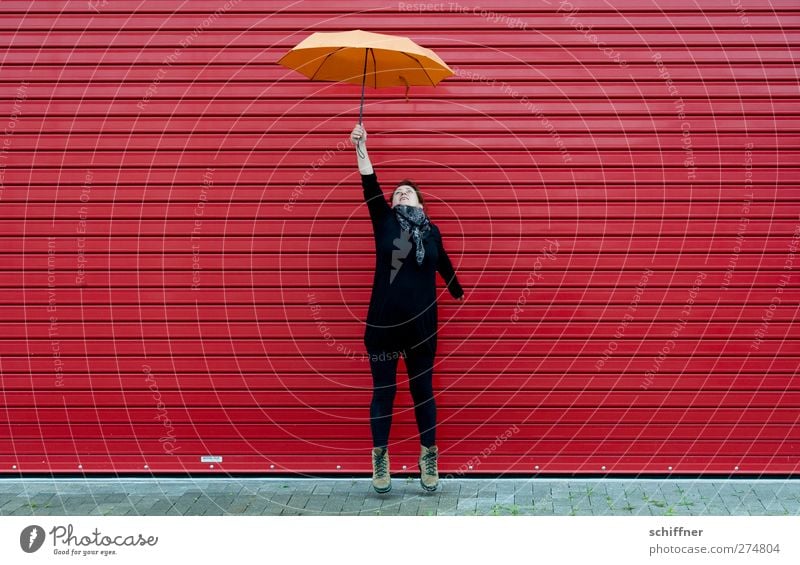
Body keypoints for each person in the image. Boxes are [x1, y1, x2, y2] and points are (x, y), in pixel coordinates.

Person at [350, 123, 465, 494]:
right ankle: (380, 459)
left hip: (421, 329)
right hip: (383, 326)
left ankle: (428, 456)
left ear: (419, 204)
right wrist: (361, 146)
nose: (401, 194)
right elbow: (370, 183)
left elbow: (442, 261)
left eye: (408, 193)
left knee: (422, 391)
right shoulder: (383, 221)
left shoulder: (432, 232)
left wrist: (456, 288)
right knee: (384, 392)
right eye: (398, 192)